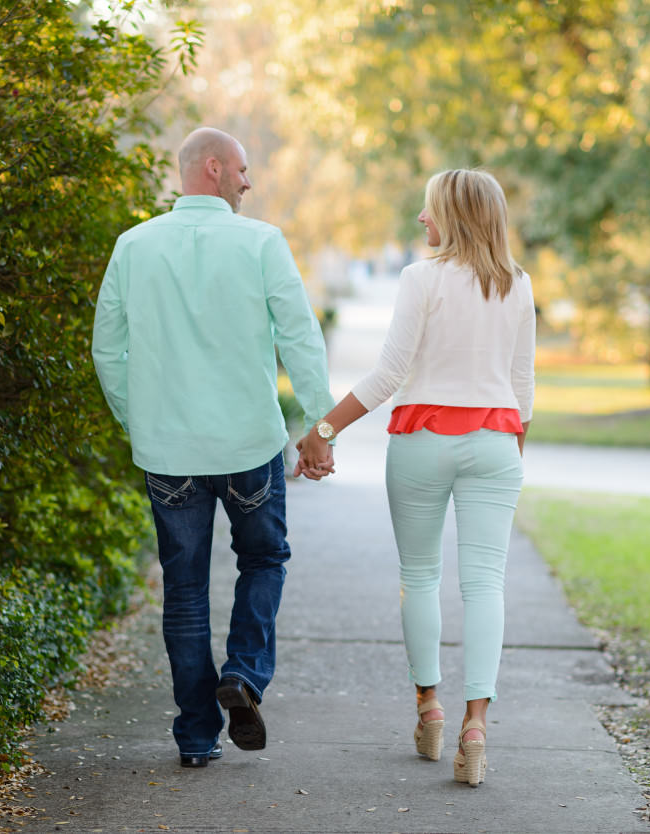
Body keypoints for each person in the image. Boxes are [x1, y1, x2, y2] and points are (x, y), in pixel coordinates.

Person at [91, 127, 335, 769]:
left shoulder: (133, 246)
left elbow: (105, 350)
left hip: (168, 450)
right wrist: (319, 425)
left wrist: (137, 422)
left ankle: (197, 734)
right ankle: (245, 676)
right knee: (263, 560)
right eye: (243, 170)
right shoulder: (260, 243)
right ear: (212, 168)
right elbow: (300, 338)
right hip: (247, 445)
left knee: (184, 587)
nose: (249, 182)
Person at [296, 169, 535, 787]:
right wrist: (510, 452)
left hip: (422, 443)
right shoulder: (518, 284)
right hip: (495, 444)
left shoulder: (420, 279)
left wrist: (322, 432)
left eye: (429, 211)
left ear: (451, 216)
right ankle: (475, 726)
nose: (420, 221)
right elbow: (523, 390)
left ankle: (429, 708)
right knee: (485, 586)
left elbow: (387, 375)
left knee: (419, 578)